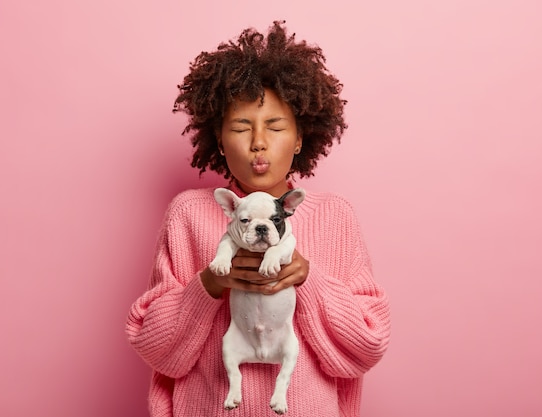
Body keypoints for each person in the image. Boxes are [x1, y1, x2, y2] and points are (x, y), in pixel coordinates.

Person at [126, 20, 390, 417]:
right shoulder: (188, 213)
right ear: (218, 138)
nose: (258, 142)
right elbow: (154, 346)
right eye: (241, 126)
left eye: (276, 126)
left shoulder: (336, 216)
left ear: (300, 137)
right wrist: (211, 283)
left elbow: (367, 344)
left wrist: (306, 279)